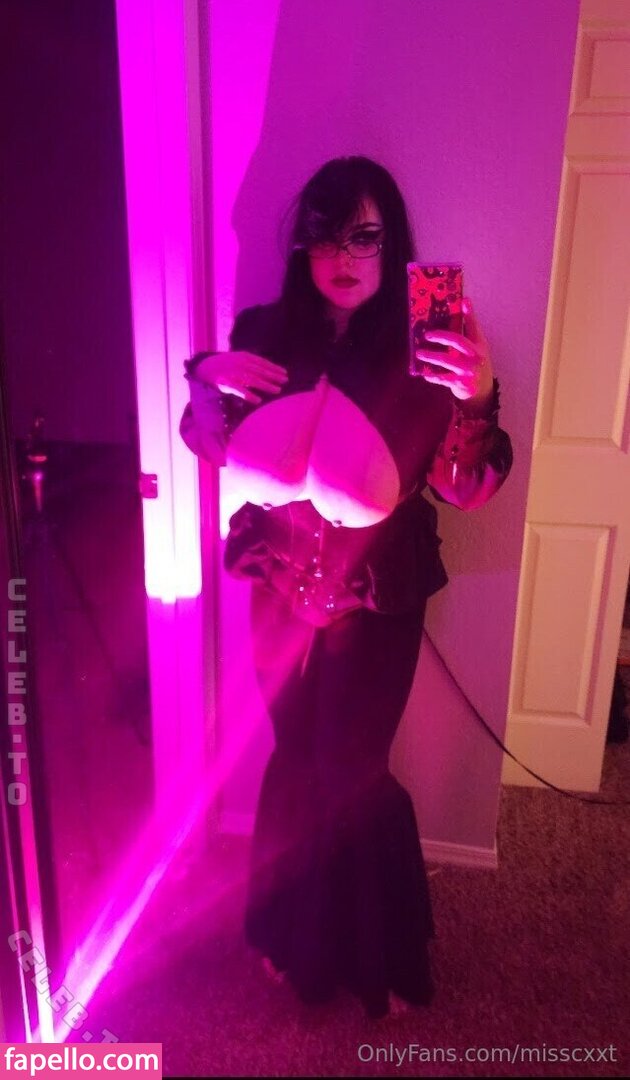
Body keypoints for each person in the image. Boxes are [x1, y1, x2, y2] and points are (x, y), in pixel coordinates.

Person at [180, 156, 513, 1019]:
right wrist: (205, 378)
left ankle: (379, 958)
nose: (344, 256)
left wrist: (477, 396)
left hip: (377, 592)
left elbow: (466, 489)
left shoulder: (425, 346)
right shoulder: (264, 329)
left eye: (364, 235)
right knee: (295, 753)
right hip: (276, 582)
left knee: (354, 768)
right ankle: (291, 938)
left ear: (391, 241)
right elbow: (214, 445)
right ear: (303, 246)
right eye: (325, 235)